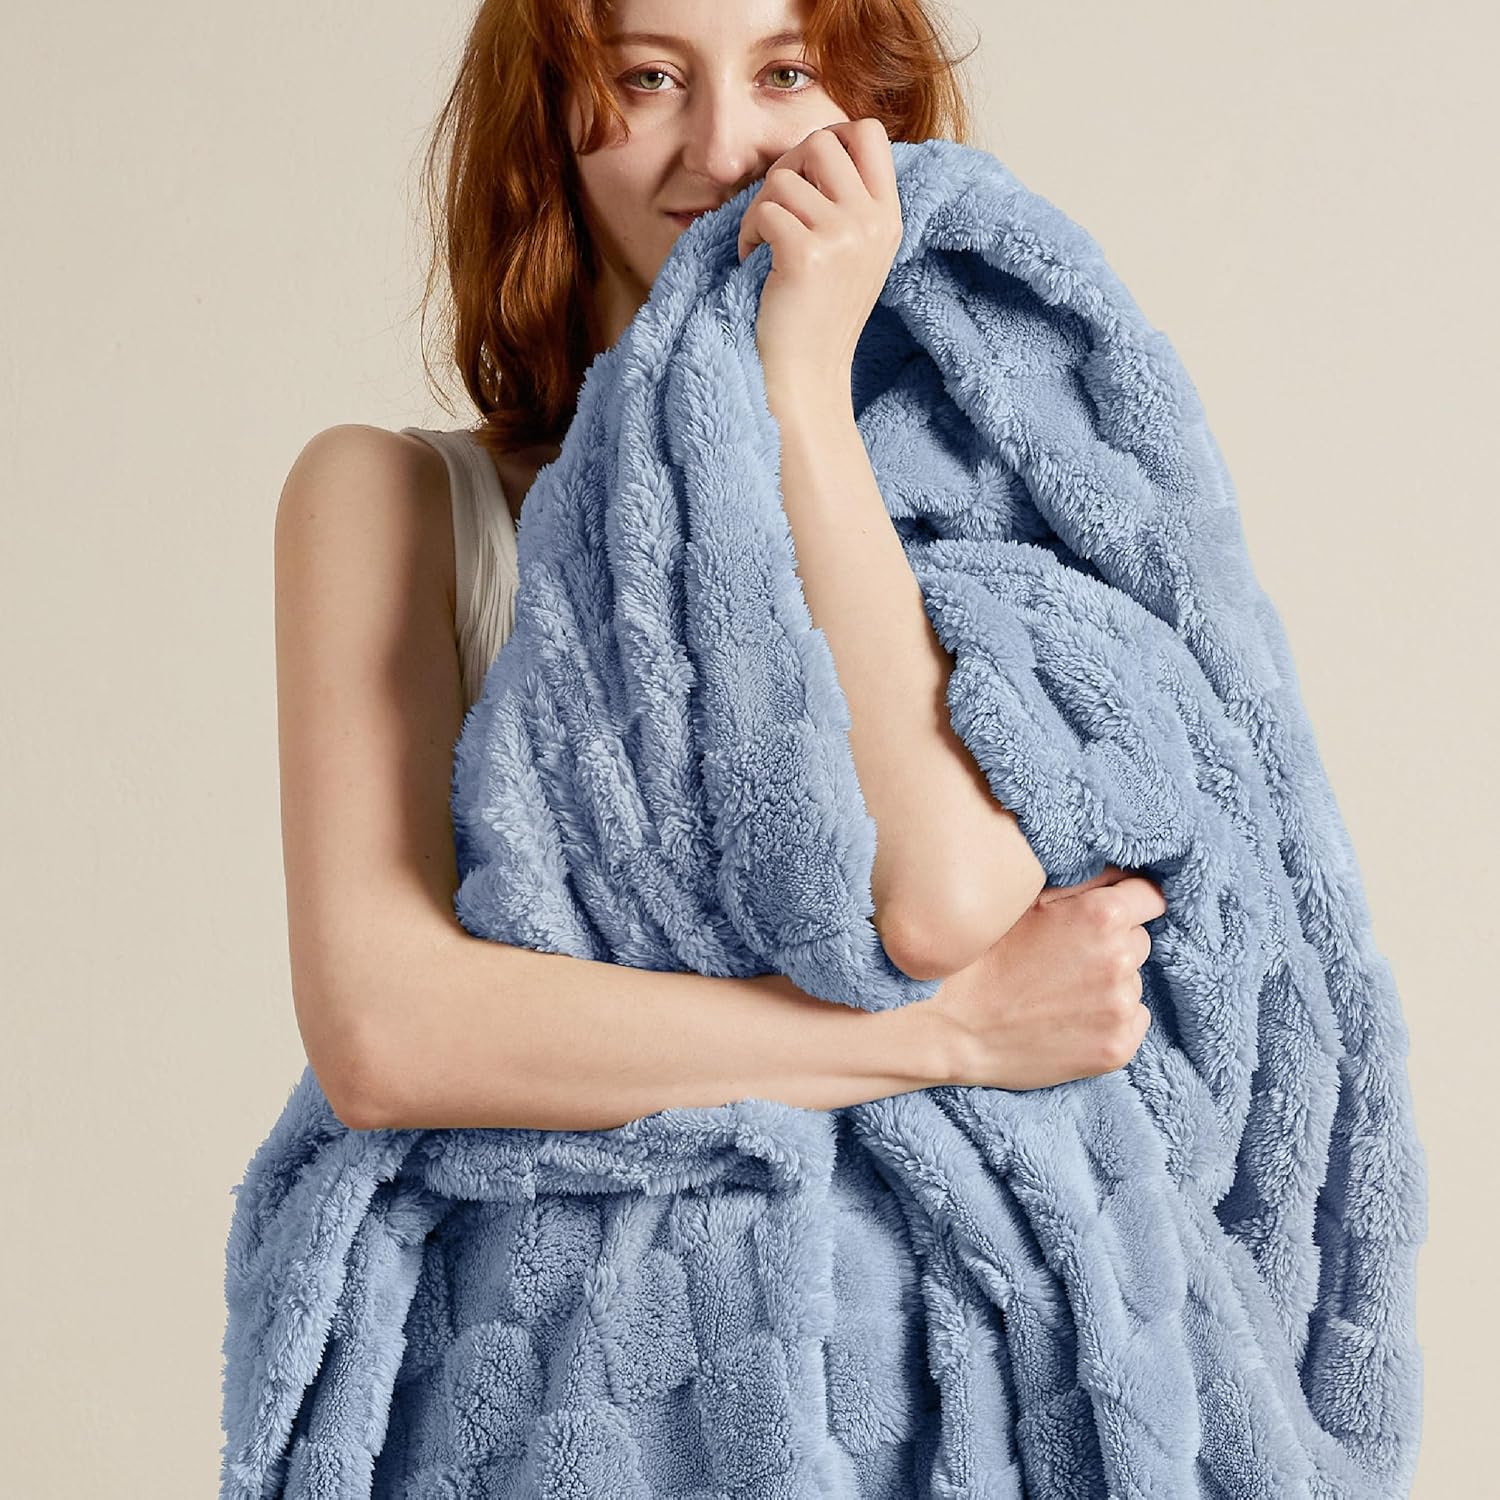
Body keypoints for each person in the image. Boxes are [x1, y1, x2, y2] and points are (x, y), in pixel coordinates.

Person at [271, 0, 1165, 1139]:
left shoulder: (973, 497)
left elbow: (939, 900)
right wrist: (953, 1033)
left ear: (877, 118)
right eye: (648, 79)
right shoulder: (392, 500)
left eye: (786, 76)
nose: (724, 149)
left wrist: (802, 383)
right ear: (549, 118)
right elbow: (386, 1037)